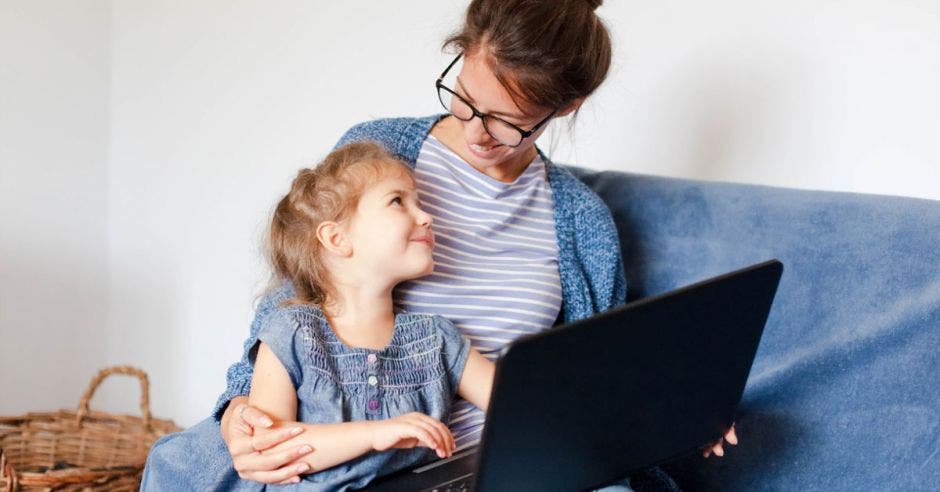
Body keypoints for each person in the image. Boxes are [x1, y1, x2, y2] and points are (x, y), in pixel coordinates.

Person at [150, 0, 735, 490]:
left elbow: (592, 381)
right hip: (339, 435)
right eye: (465, 95)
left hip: (489, 461)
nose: (478, 129)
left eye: (509, 120)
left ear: (566, 107)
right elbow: (296, 300)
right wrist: (240, 416)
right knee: (185, 465)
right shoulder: (378, 155)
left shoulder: (582, 223)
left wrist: (675, 410)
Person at [142, 141, 496, 490]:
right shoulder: (293, 332)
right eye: (398, 201)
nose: (426, 216)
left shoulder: (436, 338)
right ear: (337, 238)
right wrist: (377, 434)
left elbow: (516, 400)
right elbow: (273, 445)